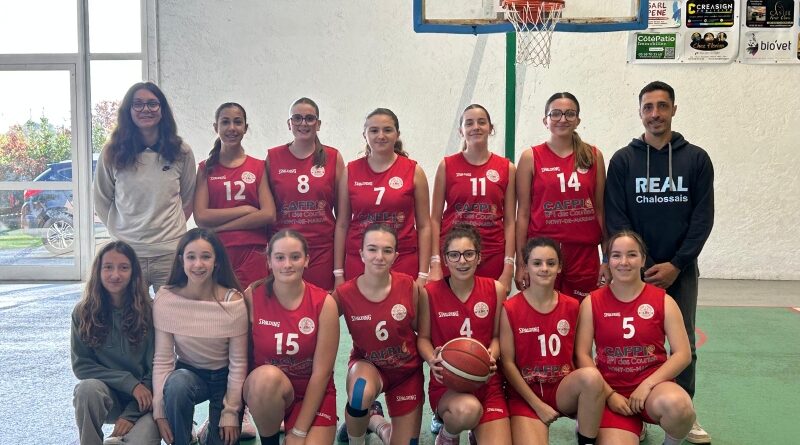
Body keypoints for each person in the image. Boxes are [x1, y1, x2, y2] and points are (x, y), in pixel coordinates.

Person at [604, 80, 714, 444]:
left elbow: (702, 218)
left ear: (674, 110)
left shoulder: (696, 159)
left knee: (685, 346)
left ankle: (683, 412)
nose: (655, 114)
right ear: (640, 113)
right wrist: (640, 265)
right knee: (623, 343)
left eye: (662, 106)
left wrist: (676, 264)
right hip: (633, 273)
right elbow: (617, 216)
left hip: (680, 270)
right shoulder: (623, 160)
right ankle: (619, 410)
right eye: (648, 107)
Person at [575, 230, 696, 445]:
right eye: (616, 255)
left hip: (653, 388)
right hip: (611, 390)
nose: (624, 262)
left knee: (681, 408)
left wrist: (647, 385)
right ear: (608, 261)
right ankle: (621, 424)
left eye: (631, 255)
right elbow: (582, 354)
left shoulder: (663, 300)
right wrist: (609, 394)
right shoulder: (592, 302)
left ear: (643, 260)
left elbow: (683, 354)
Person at [500, 237, 604, 445]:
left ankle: (586, 439)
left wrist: (591, 397)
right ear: (526, 267)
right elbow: (508, 363)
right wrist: (537, 405)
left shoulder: (573, 306)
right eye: (537, 263)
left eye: (551, 263)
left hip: (562, 389)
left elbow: (581, 354)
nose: (544, 268)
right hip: (526, 395)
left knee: (592, 378)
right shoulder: (510, 308)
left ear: (559, 267)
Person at [94, 82, 196, 293]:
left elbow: (188, 198)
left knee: (171, 312)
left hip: (169, 252)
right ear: (128, 110)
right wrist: (122, 233)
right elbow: (102, 199)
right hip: (128, 253)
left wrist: (168, 232)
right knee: (129, 312)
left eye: (152, 103)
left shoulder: (181, 152)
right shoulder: (112, 152)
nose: (145, 109)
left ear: (162, 109)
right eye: (138, 104)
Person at [152, 228, 248, 445]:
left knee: (221, 440)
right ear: (181, 260)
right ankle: (183, 439)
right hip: (189, 374)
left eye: (206, 256)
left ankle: (209, 432)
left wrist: (231, 410)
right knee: (177, 383)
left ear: (216, 261)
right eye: (191, 257)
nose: (198, 264)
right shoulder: (166, 299)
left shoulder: (233, 302)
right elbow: (163, 359)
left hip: (224, 378)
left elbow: (239, 362)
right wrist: (159, 409)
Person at [242, 230, 339, 445]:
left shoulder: (325, 303)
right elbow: (239, 356)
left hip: (312, 392)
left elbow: (322, 374)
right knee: (265, 378)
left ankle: (298, 427)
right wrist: (231, 411)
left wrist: (299, 432)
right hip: (268, 391)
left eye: (295, 257)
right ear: (269, 261)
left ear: (306, 260)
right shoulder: (252, 296)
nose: (287, 264)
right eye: (280, 257)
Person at [419, 224, 511, 445]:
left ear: (479, 257)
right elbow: (422, 338)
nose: (462, 261)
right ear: (445, 259)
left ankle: (475, 431)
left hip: (486, 382)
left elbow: (497, 336)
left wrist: (490, 356)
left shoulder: (496, 289)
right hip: (447, 382)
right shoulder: (429, 293)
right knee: (468, 410)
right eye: (454, 255)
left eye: (469, 254)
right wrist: (432, 359)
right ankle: (449, 434)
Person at [334, 223, 424, 445]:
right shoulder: (344, 294)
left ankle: (376, 422)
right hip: (369, 365)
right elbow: (317, 323)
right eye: (372, 249)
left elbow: (424, 333)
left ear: (395, 256)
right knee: (359, 393)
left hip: (406, 372)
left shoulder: (409, 286)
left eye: (387, 250)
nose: (379, 257)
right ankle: (357, 440)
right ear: (361, 253)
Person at [515, 92, 606, 301]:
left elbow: (600, 210)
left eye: (569, 114)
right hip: (542, 251)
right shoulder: (530, 157)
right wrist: (521, 263)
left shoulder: (594, 155)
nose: (562, 119)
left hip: (583, 252)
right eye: (555, 113)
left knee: (582, 312)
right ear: (545, 120)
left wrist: (607, 258)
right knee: (544, 310)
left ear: (578, 120)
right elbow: (523, 213)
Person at [71, 241, 160, 445]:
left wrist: (130, 414)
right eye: (108, 267)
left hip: (144, 401)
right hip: (108, 394)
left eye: (124, 267)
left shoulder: (150, 311)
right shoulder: (82, 312)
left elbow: (157, 368)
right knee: (86, 389)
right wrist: (130, 383)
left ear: (134, 272)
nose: (115, 275)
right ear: (98, 271)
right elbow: (82, 366)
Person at [334, 108, 432, 287]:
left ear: (397, 134)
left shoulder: (414, 171)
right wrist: (338, 272)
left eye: (387, 130)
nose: (381, 136)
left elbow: (424, 225)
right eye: (374, 130)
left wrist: (423, 273)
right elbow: (342, 224)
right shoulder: (350, 171)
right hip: (360, 259)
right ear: (365, 135)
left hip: (402, 258)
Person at [429, 104, 516, 292]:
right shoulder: (447, 166)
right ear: (461, 131)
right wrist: (435, 262)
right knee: (450, 307)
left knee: (489, 307)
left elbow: (510, 221)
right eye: (469, 123)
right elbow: (434, 219)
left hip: (491, 253)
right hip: (454, 253)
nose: (476, 127)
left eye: (481, 122)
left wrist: (508, 267)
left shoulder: (507, 168)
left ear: (490, 128)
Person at [195, 102, 276, 289]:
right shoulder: (205, 168)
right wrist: (245, 209)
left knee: (253, 304)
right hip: (217, 251)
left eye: (237, 122)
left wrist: (222, 227)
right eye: (225, 122)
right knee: (221, 304)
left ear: (245, 128)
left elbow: (268, 214)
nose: (232, 128)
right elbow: (201, 217)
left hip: (254, 252)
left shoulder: (258, 166)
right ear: (216, 127)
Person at [266, 97, 344, 291]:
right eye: (297, 118)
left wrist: (338, 271)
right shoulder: (273, 157)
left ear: (318, 124)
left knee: (321, 305)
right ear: (289, 123)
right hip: (284, 250)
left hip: (321, 251)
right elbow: (267, 211)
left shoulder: (333, 157)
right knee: (286, 305)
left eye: (309, 118)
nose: (303, 123)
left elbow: (342, 217)